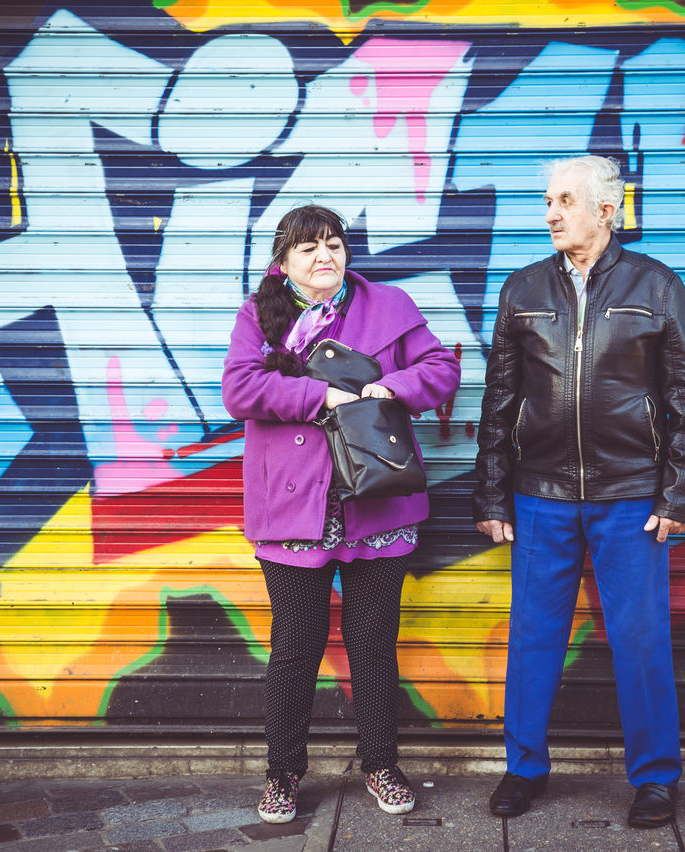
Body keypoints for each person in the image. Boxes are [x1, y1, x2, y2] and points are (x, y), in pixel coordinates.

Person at [472, 154, 685, 828]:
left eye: (565, 201)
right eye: (548, 199)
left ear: (606, 211)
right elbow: (499, 400)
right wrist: (492, 495)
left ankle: (656, 779)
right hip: (540, 494)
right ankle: (524, 769)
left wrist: (680, 493)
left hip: (632, 495)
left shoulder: (656, 285)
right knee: (533, 637)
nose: (551, 212)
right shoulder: (522, 290)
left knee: (639, 639)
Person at [221, 204, 460, 824]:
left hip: (376, 502)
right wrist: (318, 394)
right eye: (308, 248)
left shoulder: (389, 308)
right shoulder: (259, 316)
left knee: (374, 645)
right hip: (294, 509)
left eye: (333, 244)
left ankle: (381, 763)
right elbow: (240, 390)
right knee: (294, 648)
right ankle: (283, 773)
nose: (324, 256)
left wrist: (393, 388)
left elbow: (441, 368)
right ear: (285, 260)